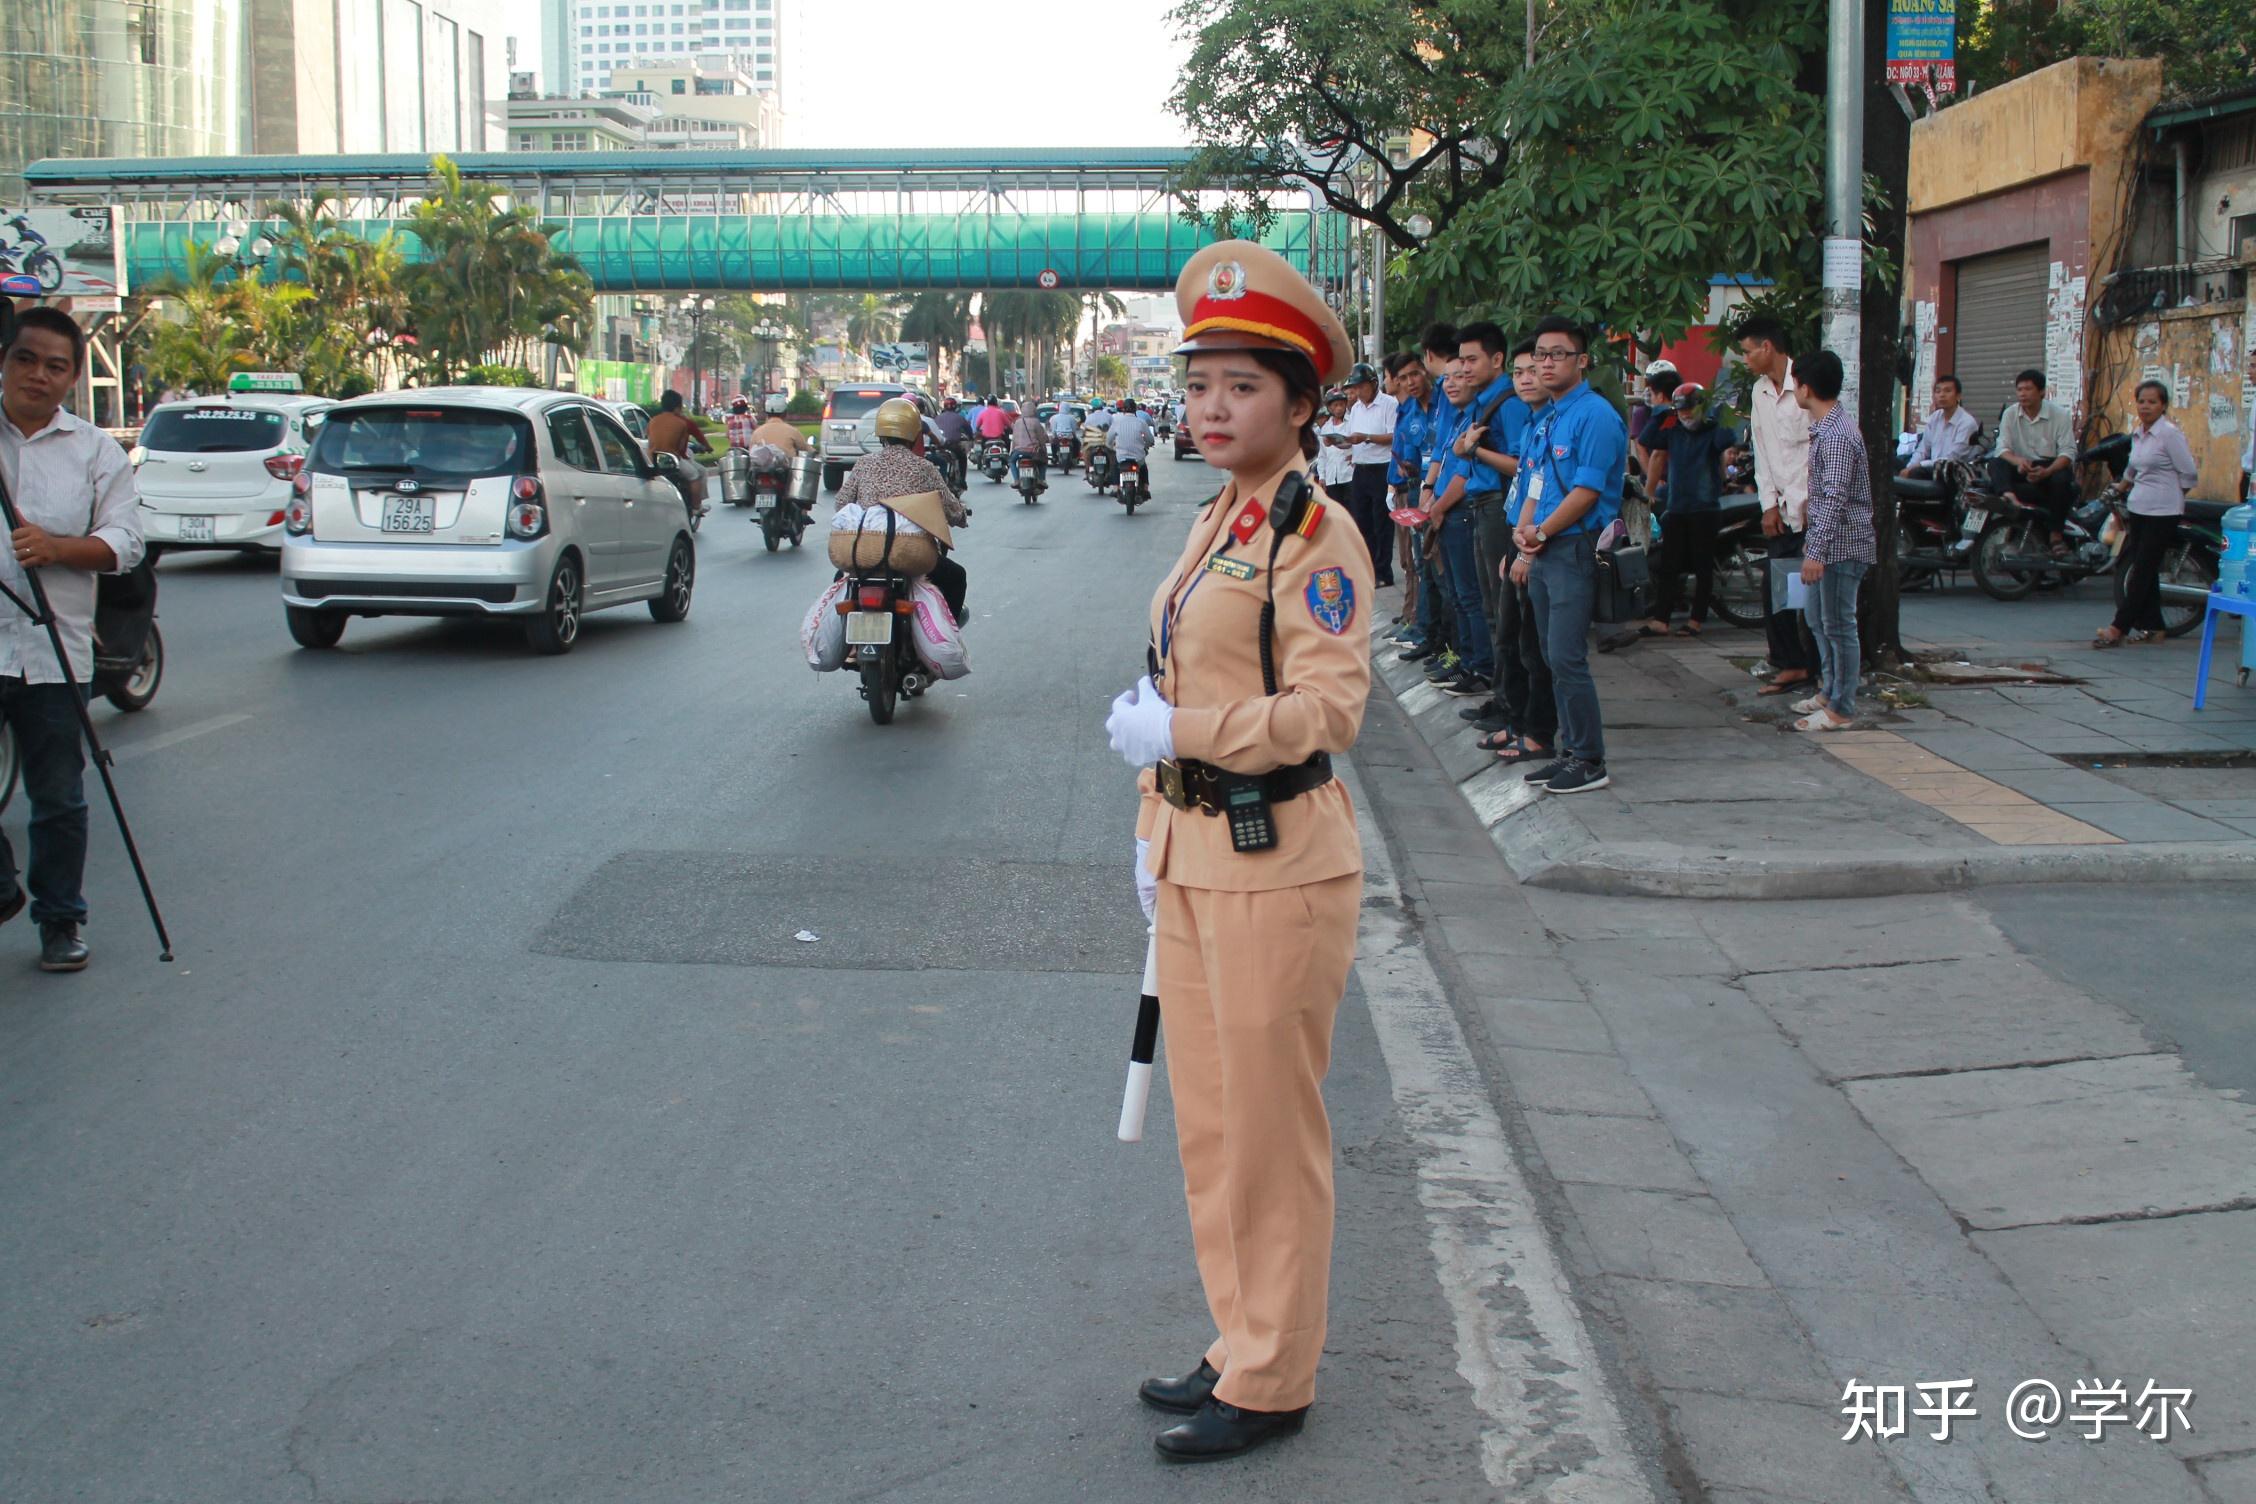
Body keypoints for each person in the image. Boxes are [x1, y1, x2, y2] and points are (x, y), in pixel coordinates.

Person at [1101, 238, 1370, 1466]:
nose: (1212, 406)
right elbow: (1185, 665)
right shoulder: (1219, 514)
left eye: (1243, 386)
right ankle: (1239, 1330)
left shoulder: (1318, 532)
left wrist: (1185, 731)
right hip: (1200, 857)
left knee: (1270, 1129)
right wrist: (1155, 820)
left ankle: (1275, 1372)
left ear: (1302, 403)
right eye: (1200, 380)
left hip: (1279, 865)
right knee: (1212, 1126)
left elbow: (1325, 713)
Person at [1, 306, 146, 972]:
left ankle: (61, 920)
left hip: (52, 652)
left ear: (72, 380)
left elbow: (124, 544)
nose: (37, 375)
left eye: (54, 366)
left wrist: (58, 547)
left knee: (56, 796)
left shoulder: (95, 451)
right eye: (25, 358)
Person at [1511, 315, 1626, 795]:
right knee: (1548, 655)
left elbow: (1585, 491)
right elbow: (1537, 481)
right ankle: (1569, 750)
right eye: (1541, 354)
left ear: (1582, 361)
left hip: (1575, 546)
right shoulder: (1550, 415)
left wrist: (1538, 532)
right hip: (1545, 547)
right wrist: (1524, 530)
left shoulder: (1595, 415)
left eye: (1558, 354)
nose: (1546, 363)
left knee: (1567, 656)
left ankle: (1589, 758)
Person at [1792, 350, 1875, 732]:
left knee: (1839, 625)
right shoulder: (1828, 429)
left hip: (1842, 546)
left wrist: (1817, 551)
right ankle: (1829, 690)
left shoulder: (1837, 436)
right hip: (1829, 542)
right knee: (1817, 618)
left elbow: (1836, 496)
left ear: (1805, 388)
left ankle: (1842, 705)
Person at [1734, 314, 1817, 698]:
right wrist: (1768, 505)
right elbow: (1763, 451)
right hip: (1782, 509)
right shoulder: (1759, 391)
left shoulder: (1808, 382)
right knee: (1778, 590)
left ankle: (1818, 668)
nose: (1746, 359)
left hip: (1816, 509)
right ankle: (1791, 663)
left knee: (1816, 597)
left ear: (1767, 347)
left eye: (1749, 352)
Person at [1485, 341, 1557, 765]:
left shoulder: (1558, 422)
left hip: (1545, 547)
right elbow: (1525, 490)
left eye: (1535, 370)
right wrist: (1514, 549)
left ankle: (1539, 732)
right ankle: (1518, 723)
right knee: (1510, 641)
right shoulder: (1532, 424)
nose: (1527, 379)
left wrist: (1528, 553)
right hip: (1519, 540)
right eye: (1520, 372)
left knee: (1536, 649)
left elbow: (1549, 492)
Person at [836, 398, 971, 621]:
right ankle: (948, 632)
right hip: (910, 553)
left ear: (880, 433)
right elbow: (952, 509)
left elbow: (842, 504)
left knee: (839, 582)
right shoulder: (924, 467)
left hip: (864, 552)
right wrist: (961, 517)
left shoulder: (864, 464)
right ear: (914, 433)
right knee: (956, 577)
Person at [2095, 380, 2197, 649]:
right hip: (2138, 508)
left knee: (2141, 570)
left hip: (2163, 511)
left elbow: (2189, 473)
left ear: (2163, 405)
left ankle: (2119, 627)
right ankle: (2155, 626)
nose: (2145, 406)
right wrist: (2123, 486)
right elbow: (2133, 467)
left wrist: (2174, 494)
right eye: (2142, 401)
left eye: (2152, 402)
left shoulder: (2169, 434)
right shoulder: (2140, 433)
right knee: (2144, 568)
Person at [1642, 382, 1739, 638]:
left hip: (1704, 507)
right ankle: (1661, 619)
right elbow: (1649, 440)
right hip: (1677, 506)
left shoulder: (1710, 429)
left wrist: (1716, 413)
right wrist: (1662, 413)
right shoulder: (1673, 428)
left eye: (1689, 410)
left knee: (1702, 564)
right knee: (1669, 565)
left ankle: (1696, 619)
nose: (1685, 416)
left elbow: (1727, 439)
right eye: (1681, 412)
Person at [1989, 368, 2077, 554]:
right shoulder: (2010, 414)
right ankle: (2009, 496)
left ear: (2042, 392)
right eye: (2019, 389)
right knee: (1995, 463)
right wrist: (2018, 462)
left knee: (2062, 478)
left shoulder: (2059, 415)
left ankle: (2056, 536)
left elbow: (2068, 452)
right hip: (2021, 466)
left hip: (2048, 467)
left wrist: (2047, 471)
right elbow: (2002, 448)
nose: (2023, 394)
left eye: (2028, 389)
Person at [1341, 363, 1398, 586]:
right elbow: (1354, 437)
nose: (1356, 392)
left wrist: (1366, 437)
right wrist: (1343, 443)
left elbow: (1393, 436)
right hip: (1360, 469)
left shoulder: (1388, 404)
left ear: (1373, 384)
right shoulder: (1355, 409)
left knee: (1381, 522)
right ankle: (1368, 569)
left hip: (1382, 468)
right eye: (1354, 388)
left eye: (1360, 387)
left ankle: (1383, 572)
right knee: (1362, 521)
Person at [644, 389, 715, 511]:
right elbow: (681, 448)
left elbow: (649, 440)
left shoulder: (652, 421)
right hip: (672, 459)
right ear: (677, 407)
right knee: (695, 475)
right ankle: (697, 506)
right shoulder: (682, 423)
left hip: (653, 459)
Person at [1899, 374, 1981, 477]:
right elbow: (1923, 449)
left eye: (1947, 391)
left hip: (1956, 473)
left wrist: (1918, 466)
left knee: (1917, 473)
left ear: (1958, 396)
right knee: (1893, 463)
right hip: (1933, 467)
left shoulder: (1967, 423)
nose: (1942, 395)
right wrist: (1909, 467)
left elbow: (1952, 458)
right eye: (1938, 391)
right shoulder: (1935, 418)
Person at [1315, 389, 1355, 500]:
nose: (1339, 408)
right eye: (1335, 405)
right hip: (1331, 477)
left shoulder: (1352, 422)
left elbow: (1359, 444)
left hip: (1349, 474)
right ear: (1329, 408)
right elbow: (1322, 455)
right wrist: (1322, 476)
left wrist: (1356, 456)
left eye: (1341, 405)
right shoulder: (1325, 428)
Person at [1007, 402, 1049, 485]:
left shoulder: (1017, 422)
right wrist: (1044, 450)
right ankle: (1041, 479)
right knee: (1043, 462)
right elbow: (1041, 438)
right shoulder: (1036, 422)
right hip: (1033, 451)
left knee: (1011, 462)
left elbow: (1014, 439)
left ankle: (1016, 480)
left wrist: (1012, 451)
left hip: (1018, 451)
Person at [1109, 397, 1154, 474]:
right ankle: (1145, 485)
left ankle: (1116, 485)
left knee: (1115, 468)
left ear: (1123, 409)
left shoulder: (1117, 422)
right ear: (1135, 409)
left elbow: (1108, 439)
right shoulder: (1141, 422)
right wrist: (1146, 446)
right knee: (1143, 468)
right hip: (1138, 458)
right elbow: (1150, 440)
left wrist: (1112, 447)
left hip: (1121, 457)